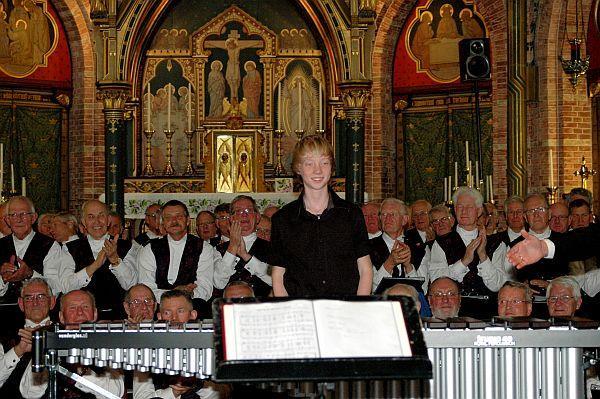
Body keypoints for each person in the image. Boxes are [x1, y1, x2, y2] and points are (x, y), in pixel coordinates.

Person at [270, 135, 373, 296]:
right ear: (298, 168)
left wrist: (357, 310)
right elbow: (278, 275)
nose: (317, 170)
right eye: (309, 163)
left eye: (324, 163)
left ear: (332, 167)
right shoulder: (283, 219)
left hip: (344, 309)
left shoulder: (351, 214)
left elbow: (365, 269)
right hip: (301, 312)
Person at [20, 289, 125, 398]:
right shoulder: (51, 343)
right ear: (61, 317)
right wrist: (41, 351)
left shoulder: (106, 345)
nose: (79, 312)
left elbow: (114, 392)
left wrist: (79, 369)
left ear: (94, 314)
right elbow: (29, 393)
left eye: (85, 307)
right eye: (72, 308)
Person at [409, 187, 510, 295]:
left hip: (487, 309)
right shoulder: (441, 243)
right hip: (452, 309)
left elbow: (497, 285)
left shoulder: (496, 243)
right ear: (455, 210)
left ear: (479, 211)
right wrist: (464, 262)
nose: (464, 211)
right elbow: (436, 281)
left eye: (469, 207)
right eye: (460, 207)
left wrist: (483, 256)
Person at [133, 290, 219, 399]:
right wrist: (173, 393)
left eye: (180, 311)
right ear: (159, 317)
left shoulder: (209, 346)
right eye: (167, 313)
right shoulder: (146, 350)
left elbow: (225, 391)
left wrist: (197, 385)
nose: (174, 318)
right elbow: (140, 397)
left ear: (193, 315)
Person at [60, 200, 137, 319]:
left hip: (119, 317)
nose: (97, 221)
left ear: (108, 220)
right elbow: (66, 287)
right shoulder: (70, 248)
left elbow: (131, 285)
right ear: (84, 222)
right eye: (91, 217)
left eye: (101, 216)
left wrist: (115, 260)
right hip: (82, 318)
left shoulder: (126, 246)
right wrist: (95, 265)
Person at [138, 200, 217, 303]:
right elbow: (146, 289)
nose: (174, 221)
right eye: (168, 217)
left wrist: (190, 293)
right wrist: (175, 293)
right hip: (160, 309)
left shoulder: (204, 248)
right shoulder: (150, 249)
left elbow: (205, 288)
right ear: (163, 223)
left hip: (192, 308)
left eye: (179, 217)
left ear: (188, 221)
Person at [0, 196, 62, 299]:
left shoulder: (50, 245)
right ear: (7, 220)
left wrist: (31, 274)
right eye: (13, 215)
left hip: (37, 312)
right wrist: (3, 279)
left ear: (33, 218)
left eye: (23, 214)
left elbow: (56, 288)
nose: (19, 220)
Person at [0, 278, 54, 395]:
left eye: (41, 297)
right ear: (21, 304)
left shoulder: (64, 335)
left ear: (52, 302)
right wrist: (18, 350)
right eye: (29, 298)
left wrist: (41, 347)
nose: (35, 303)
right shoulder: (4, 337)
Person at [214, 195, 272, 297]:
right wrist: (232, 248)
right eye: (238, 211)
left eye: (248, 210)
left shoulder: (272, 247)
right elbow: (218, 283)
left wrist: (246, 256)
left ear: (257, 217)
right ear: (231, 219)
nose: (244, 215)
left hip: (262, 307)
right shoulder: (218, 249)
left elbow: (276, 281)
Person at [516, 194, 567, 289]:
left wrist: (552, 286)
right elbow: (508, 279)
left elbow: (575, 277)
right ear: (525, 217)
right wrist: (522, 287)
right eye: (531, 211)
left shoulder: (564, 241)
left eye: (541, 209)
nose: (536, 215)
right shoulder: (515, 245)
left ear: (549, 214)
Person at [369, 198, 419, 290]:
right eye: (383, 214)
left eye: (392, 214)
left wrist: (408, 266)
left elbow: (421, 290)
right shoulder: (367, 247)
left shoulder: (418, 249)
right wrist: (389, 264)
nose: (387, 218)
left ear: (404, 219)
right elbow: (370, 288)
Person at [405, 199, 433, 267]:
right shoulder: (407, 236)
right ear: (412, 219)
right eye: (415, 215)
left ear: (430, 215)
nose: (419, 218)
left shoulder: (438, 232)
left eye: (422, 213)